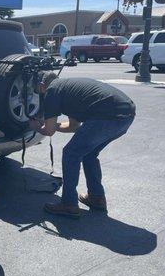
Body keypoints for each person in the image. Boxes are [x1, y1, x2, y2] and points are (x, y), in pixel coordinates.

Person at [29, 73, 136, 218]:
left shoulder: (52, 91)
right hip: (126, 115)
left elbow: (49, 131)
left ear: (42, 86)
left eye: (38, 90)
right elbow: (73, 126)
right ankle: (96, 198)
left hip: (107, 116)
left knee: (71, 153)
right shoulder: (67, 89)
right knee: (89, 154)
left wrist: (36, 127)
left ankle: (69, 204)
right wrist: (52, 125)